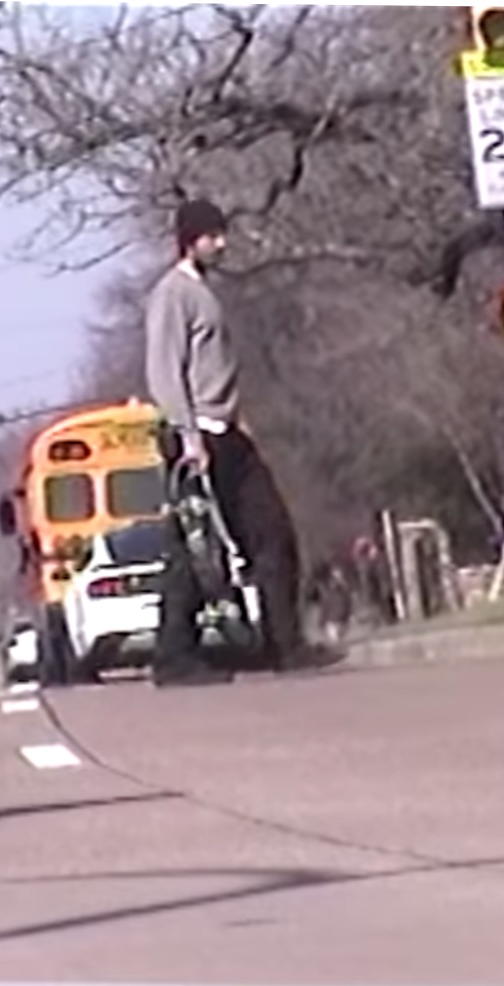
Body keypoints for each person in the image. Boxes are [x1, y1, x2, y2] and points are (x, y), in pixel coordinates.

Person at [144, 197, 344, 686]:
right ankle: (173, 658)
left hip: (227, 432)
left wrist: (237, 419)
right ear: (190, 240)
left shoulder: (204, 292)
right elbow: (164, 371)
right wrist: (188, 435)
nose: (222, 243)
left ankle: (284, 644)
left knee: (271, 533)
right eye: (213, 236)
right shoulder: (172, 294)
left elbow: (215, 370)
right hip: (198, 439)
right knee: (194, 551)